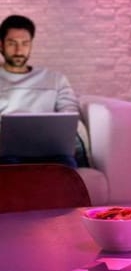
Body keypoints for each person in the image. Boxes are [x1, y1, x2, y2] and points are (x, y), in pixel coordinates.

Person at [0, 14, 83, 167]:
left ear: (31, 45)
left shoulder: (55, 79)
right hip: (7, 154)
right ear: (1, 45)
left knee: (66, 166)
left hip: (51, 152)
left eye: (25, 43)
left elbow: (70, 114)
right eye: (12, 43)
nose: (19, 50)